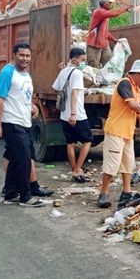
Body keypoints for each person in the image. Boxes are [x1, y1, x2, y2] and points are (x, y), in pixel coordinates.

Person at [97, 60, 140, 209]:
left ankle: (126, 193)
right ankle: (103, 194)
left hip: (127, 132)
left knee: (128, 164)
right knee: (112, 166)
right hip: (115, 131)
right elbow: (132, 105)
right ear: (137, 74)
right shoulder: (125, 83)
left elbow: (138, 115)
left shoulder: (137, 90)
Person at [0, 43, 45, 207]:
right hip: (11, 122)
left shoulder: (26, 75)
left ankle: (10, 192)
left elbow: (24, 96)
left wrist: (32, 106)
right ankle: (25, 196)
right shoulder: (8, 72)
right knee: (23, 160)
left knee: (15, 159)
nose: (25, 59)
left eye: (28, 56)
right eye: (22, 55)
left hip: (24, 122)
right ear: (14, 55)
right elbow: (0, 98)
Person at [52, 47, 92, 183]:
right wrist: (74, 113)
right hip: (77, 114)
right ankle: (77, 169)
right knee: (87, 141)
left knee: (70, 143)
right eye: (82, 60)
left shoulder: (64, 71)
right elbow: (74, 93)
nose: (84, 63)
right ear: (75, 59)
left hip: (64, 114)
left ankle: (74, 169)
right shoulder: (77, 73)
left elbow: (57, 88)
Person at [86, 0, 133, 68]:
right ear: (105, 4)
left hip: (104, 44)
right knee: (93, 67)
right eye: (110, 3)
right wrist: (124, 9)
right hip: (94, 45)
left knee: (109, 66)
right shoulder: (99, 12)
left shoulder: (105, 15)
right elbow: (113, 13)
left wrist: (114, 39)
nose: (111, 4)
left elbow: (104, 31)